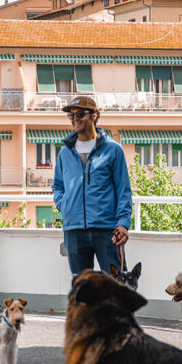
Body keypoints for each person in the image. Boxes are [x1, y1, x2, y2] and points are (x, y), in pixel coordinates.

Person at [51, 95, 131, 276]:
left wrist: (123, 224)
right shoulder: (65, 152)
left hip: (107, 229)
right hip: (74, 229)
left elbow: (123, 190)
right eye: (71, 116)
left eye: (80, 114)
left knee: (114, 286)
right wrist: (65, 206)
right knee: (82, 288)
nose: (75, 119)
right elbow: (58, 186)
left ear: (94, 115)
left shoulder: (113, 150)